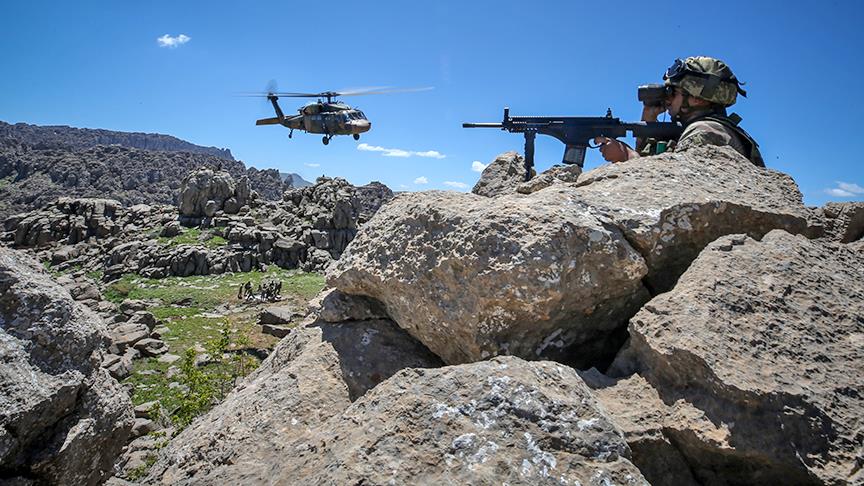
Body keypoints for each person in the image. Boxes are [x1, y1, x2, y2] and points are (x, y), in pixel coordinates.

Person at [595, 56, 764, 167]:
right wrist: (649, 118)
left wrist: (627, 156)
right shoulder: (703, 129)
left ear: (698, 98)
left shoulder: (705, 132)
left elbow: (673, 186)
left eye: (673, 93)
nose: (667, 99)